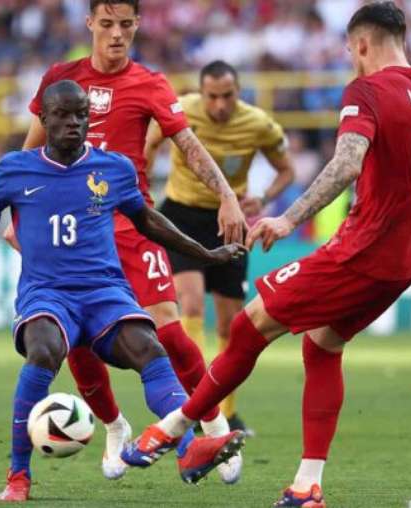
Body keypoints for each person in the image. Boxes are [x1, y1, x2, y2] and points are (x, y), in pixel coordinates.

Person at [119, 2, 411, 506]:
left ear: (362, 44)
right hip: (409, 261)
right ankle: (307, 484)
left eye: (351, 49)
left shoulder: (366, 91)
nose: (351, 58)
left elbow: (346, 164)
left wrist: (288, 218)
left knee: (248, 325)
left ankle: (177, 428)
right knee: (321, 346)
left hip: (362, 252)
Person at [0, 80, 246, 503]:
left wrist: (204, 252)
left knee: (150, 348)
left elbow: (148, 221)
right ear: (43, 119)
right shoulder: (15, 169)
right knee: (44, 349)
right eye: (62, 114)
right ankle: (18, 476)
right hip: (47, 294)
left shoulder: (113, 168)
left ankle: (189, 450)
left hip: (104, 293)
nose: (73, 122)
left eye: (81, 114)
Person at [5, 0, 247, 483]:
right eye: (108, 24)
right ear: (90, 22)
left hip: (130, 225)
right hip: (70, 230)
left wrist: (227, 195)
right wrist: (18, 216)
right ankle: (115, 427)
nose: (117, 34)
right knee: (77, 345)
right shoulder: (61, 77)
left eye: (126, 25)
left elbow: (189, 146)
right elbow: (28, 152)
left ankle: (211, 419)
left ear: (137, 26)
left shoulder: (150, 83)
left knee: (169, 329)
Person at [144, 59, 295, 435]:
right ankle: (194, 403)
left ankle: (227, 410)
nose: (219, 105)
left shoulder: (258, 124)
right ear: (202, 93)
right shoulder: (182, 109)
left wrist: (262, 197)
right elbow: (147, 146)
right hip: (181, 215)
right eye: (212, 96)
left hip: (231, 222)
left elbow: (286, 170)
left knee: (231, 323)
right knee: (190, 303)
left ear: (238, 92)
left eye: (227, 96)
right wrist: (140, 190)